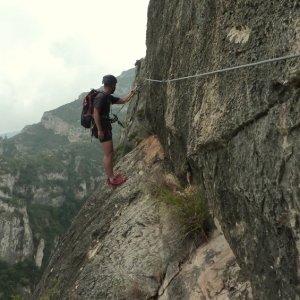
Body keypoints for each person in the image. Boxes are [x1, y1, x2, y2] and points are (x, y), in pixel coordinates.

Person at [92, 74, 137, 189]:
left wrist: (133, 91)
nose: (115, 87)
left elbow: (122, 100)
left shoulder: (107, 97)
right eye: (115, 85)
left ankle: (111, 177)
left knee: (110, 153)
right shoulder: (101, 97)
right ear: (112, 85)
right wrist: (100, 130)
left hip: (105, 126)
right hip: (102, 128)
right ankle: (112, 180)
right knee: (109, 154)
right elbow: (95, 113)